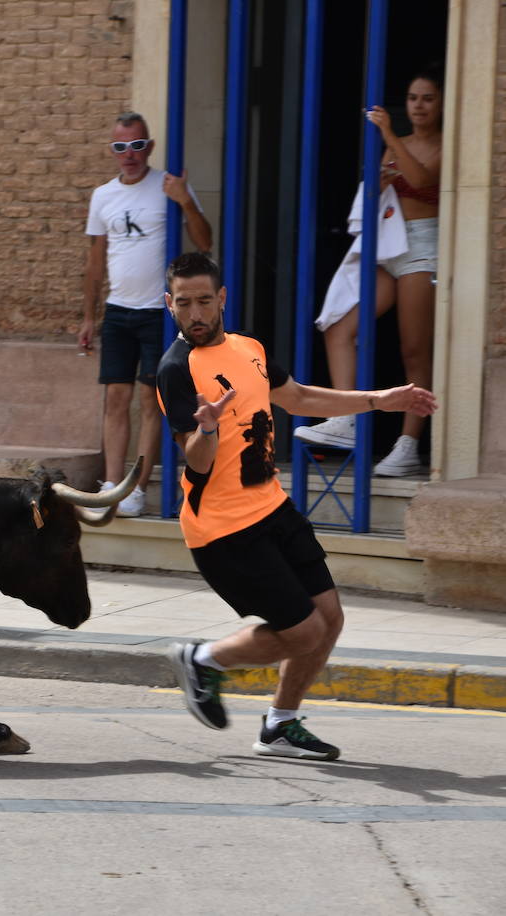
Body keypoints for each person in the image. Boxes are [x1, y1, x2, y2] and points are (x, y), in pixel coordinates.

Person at [158, 252, 436, 759]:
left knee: (329, 619)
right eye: (183, 304)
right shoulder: (176, 369)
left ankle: (279, 724)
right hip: (222, 531)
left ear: (221, 299)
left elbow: (300, 398)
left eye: (203, 301)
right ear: (169, 305)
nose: (195, 313)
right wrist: (207, 427)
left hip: (272, 509)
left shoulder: (249, 349)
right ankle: (202, 660)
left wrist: (379, 400)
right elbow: (195, 463)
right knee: (303, 630)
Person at [295, 67, 444, 477]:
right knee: (340, 325)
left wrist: (390, 137)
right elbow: (378, 189)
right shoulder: (397, 144)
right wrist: (378, 178)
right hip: (389, 244)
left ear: (442, 103)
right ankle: (346, 419)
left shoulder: (445, 143)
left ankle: (409, 443)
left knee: (413, 349)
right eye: (413, 98)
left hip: (424, 249)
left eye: (427, 98)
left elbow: (423, 178)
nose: (418, 106)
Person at [80, 113, 213, 516]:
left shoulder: (168, 186)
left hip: (158, 310)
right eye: (121, 147)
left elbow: (205, 242)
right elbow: (95, 259)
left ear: (149, 147)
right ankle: (111, 485)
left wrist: (185, 200)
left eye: (137, 145)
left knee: (150, 400)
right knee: (115, 399)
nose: (129, 155)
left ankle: (136, 490)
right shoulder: (103, 196)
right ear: (112, 151)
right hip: (119, 310)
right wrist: (89, 316)